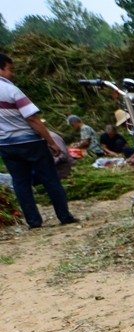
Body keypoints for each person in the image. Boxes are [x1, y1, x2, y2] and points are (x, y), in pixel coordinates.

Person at [0, 53, 79, 229]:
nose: (11, 74)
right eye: (10, 69)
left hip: (6, 146)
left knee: (20, 183)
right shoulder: (11, 90)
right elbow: (33, 119)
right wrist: (51, 141)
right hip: (29, 142)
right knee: (50, 178)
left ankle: (33, 222)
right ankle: (64, 216)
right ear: (2, 68)